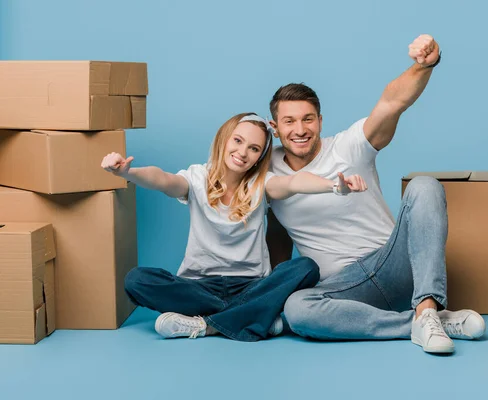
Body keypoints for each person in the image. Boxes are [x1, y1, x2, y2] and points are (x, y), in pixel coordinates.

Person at [266, 35, 486, 353]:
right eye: (289, 121)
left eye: (307, 119)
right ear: (275, 127)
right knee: (298, 308)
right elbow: (277, 235)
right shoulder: (267, 172)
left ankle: (427, 308)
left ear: (320, 121)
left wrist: (424, 65)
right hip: (344, 288)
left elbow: (392, 102)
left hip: (393, 265)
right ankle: (423, 323)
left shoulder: (348, 145)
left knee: (425, 185)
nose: (299, 129)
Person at [101, 113, 368, 342]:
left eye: (253, 148)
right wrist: (126, 173)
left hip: (251, 286)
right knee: (136, 280)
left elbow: (294, 183)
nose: (242, 152)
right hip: (198, 287)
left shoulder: (262, 184)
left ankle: (208, 326)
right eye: (238, 141)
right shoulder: (196, 178)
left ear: (259, 157)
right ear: (224, 139)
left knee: (305, 267)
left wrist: (334, 186)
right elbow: (162, 180)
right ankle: (254, 317)